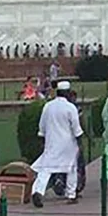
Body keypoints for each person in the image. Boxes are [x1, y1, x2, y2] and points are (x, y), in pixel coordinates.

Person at [30, 80, 83, 208]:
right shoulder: (70, 107)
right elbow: (76, 129)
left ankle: (38, 191)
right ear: (68, 93)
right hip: (68, 144)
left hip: (52, 143)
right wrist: (80, 143)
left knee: (46, 169)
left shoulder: (48, 106)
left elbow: (42, 127)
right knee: (71, 168)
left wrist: (43, 140)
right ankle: (71, 194)